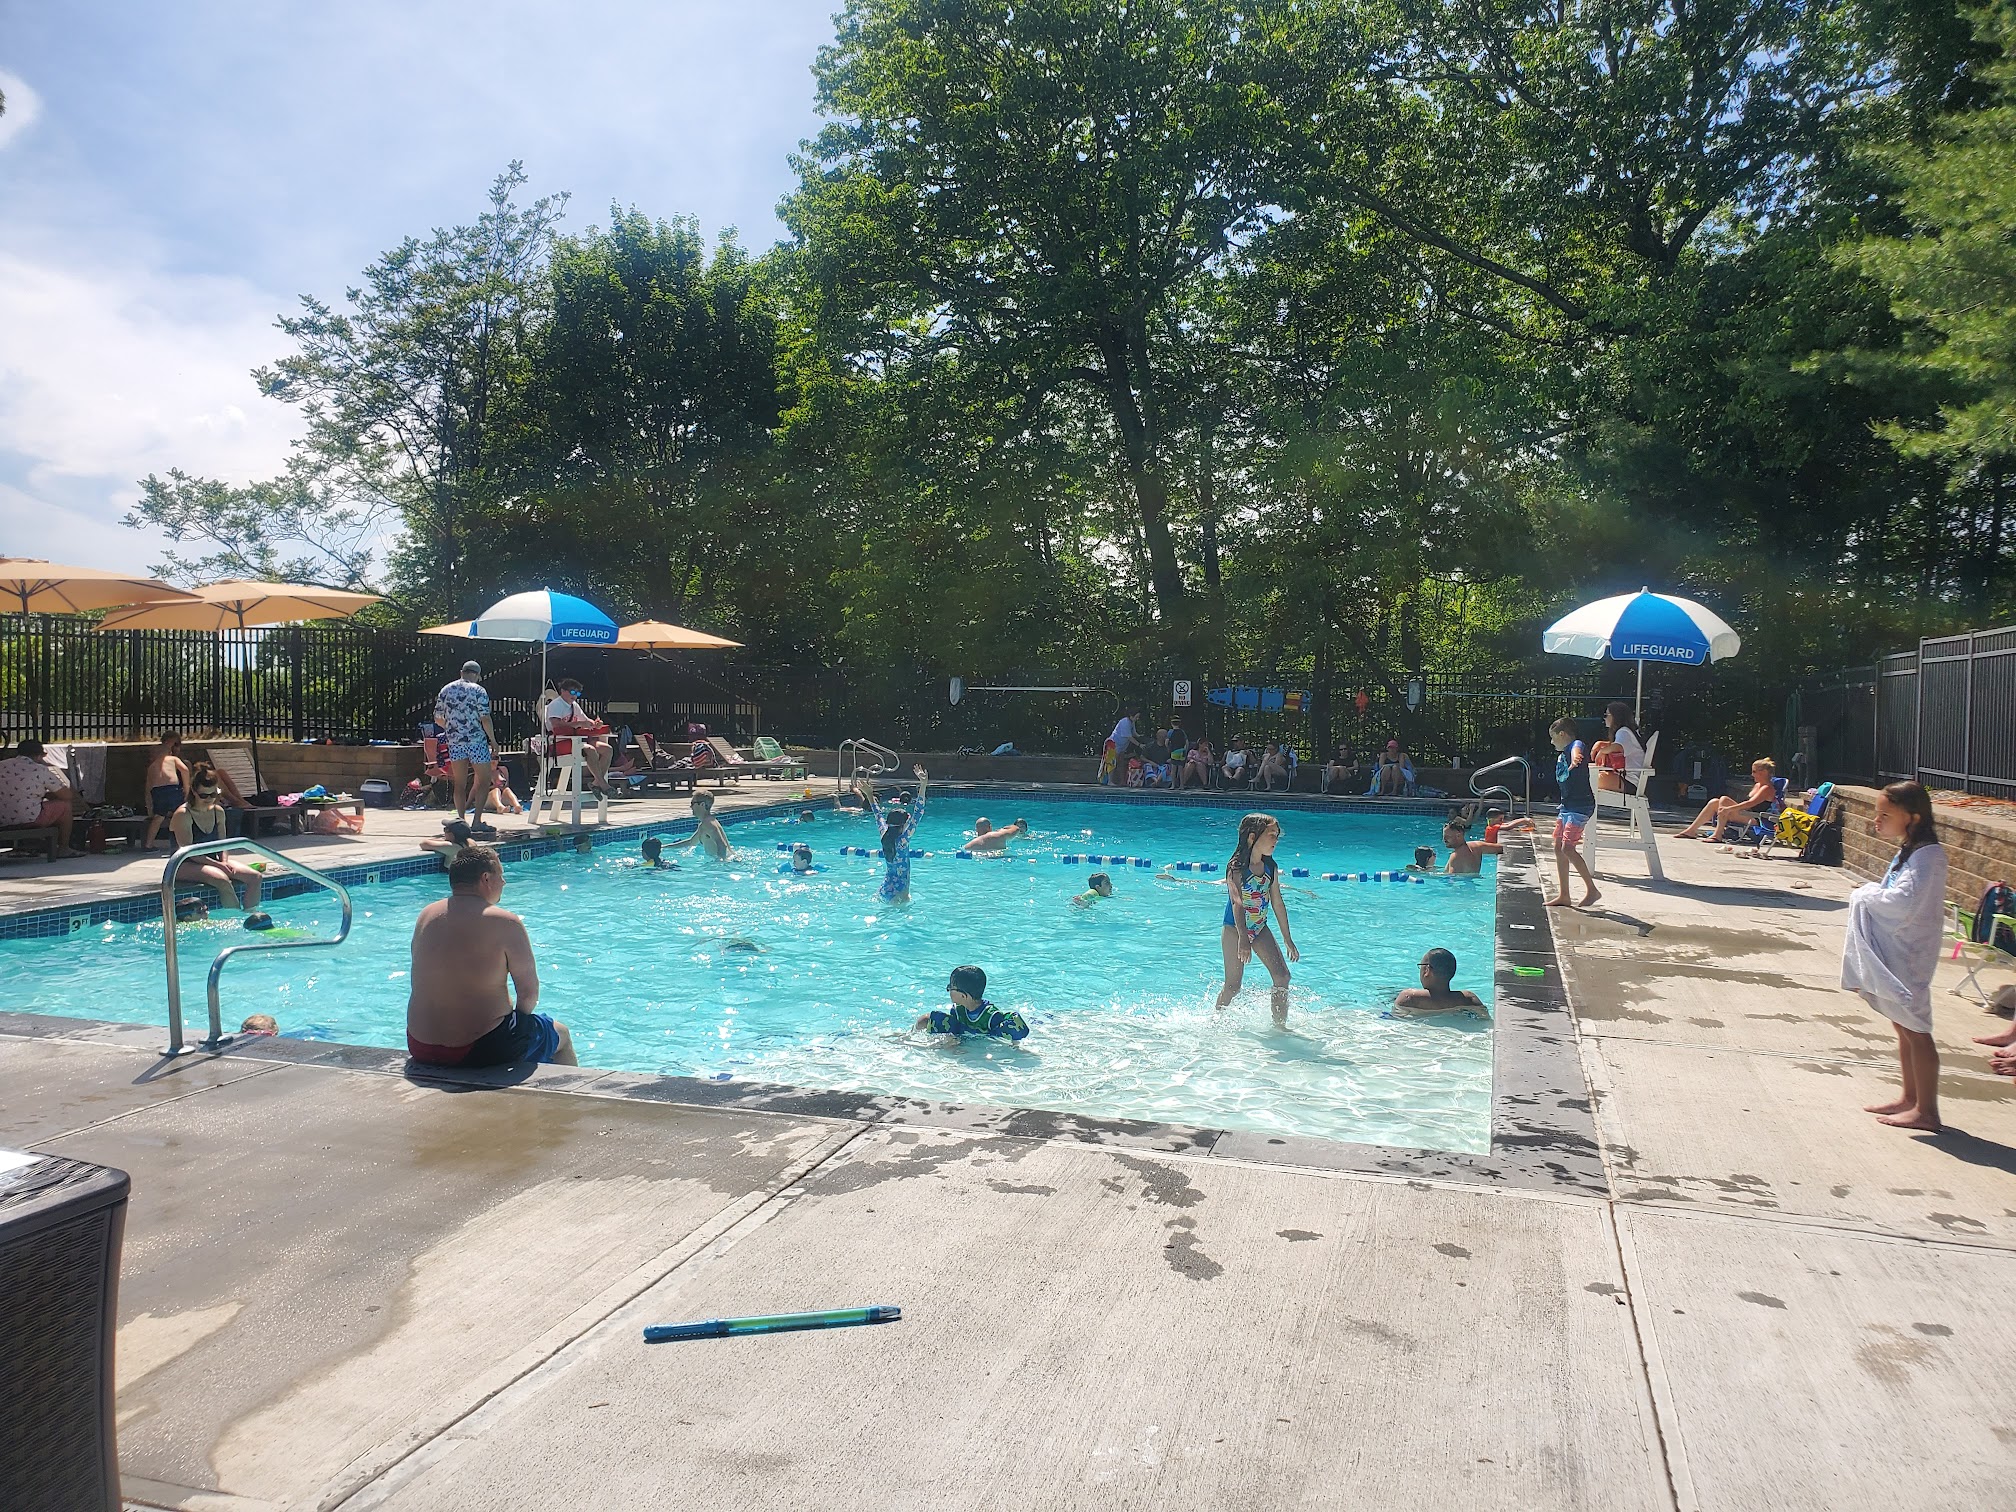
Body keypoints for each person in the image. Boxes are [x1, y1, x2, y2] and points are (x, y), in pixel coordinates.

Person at [405, 843, 576, 1068]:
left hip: (420, 1045)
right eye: (500, 875)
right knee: (561, 1035)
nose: (503, 882)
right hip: (479, 1048)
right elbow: (529, 994)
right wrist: (519, 1029)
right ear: (486, 878)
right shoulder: (505, 921)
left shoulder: (426, 916)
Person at [1841, 781, 1947, 1132]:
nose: (1877, 820)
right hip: (1899, 950)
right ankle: (1909, 1098)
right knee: (1902, 1026)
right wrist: (1870, 894)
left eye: (1885, 815)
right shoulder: (1912, 850)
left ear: (1913, 817)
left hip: (1911, 954)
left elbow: (1904, 902)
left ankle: (1927, 1111)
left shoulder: (1929, 856)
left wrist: (1865, 895)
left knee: (1917, 1029)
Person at [1215, 812, 1300, 1026]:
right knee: (1233, 986)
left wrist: (1287, 938)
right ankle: (1215, 1021)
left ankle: (1279, 1027)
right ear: (1252, 837)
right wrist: (1243, 938)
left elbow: (1277, 902)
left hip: (1260, 928)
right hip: (1235, 929)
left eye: (1277, 835)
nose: (1276, 840)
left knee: (1282, 977)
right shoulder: (1236, 867)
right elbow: (1237, 903)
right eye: (1271, 835)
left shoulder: (1270, 867)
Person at [170, 765, 268, 922]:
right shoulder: (183, 814)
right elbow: (189, 852)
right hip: (183, 864)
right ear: (194, 791)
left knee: (255, 877)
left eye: (213, 794)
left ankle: (251, 917)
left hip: (211, 861)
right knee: (222, 880)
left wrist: (224, 861)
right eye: (204, 795)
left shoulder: (218, 811)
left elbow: (223, 844)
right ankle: (236, 921)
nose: (209, 799)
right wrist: (219, 865)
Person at [434, 662, 499, 837]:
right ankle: (476, 821)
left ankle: (461, 822)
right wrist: (493, 741)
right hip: (476, 741)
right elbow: (485, 718)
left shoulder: (446, 690)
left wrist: (452, 728)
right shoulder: (478, 690)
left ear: (461, 672)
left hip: (456, 742)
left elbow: (438, 718)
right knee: (484, 781)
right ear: (477, 675)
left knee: (459, 784)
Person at [1544, 718, 1601, 907]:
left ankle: (1592, 890)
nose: (1551, 742)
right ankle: (1564, 895)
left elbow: (1578, 748)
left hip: (1580, 806)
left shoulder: (1575, 746)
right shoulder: (1562, 754)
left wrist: (1576, 757)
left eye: (1553, 737)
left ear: (1562, 734)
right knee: (1557, 846)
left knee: (1567, 848)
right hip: (1567, 806)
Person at [0, 738, 77, 855]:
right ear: (39, 755)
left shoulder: (2, 765)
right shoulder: (40, 769)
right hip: (29, 818)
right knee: (64, 806)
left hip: (3, 819)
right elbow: (67, 795)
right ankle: (63, 848)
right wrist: (48, 795)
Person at [916, 964, 1029, 1042]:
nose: (948, 990)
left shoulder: (992, 1016)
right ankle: (911, 1037)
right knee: (925, 1019)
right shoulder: (957, 1010)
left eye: (951, 987)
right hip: (966, 1038)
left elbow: (1011, 1035)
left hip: (984, 1044)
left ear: (963, 996)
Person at [1676, 758, 1779, 840]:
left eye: (1754, 771)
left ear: (1764, 772)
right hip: (1746, 814)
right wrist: (1729, 809)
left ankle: (1718, 834)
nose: (1752, 774)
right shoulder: (1757, 785)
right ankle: (1691, 830)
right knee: (1714, 802)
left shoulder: (1767, 788)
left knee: (1724, 800)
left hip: (1755, 819)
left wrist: (1729, 809)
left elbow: (1750, 804)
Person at [544, 678, 615, 795]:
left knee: (607, 749)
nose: (575, 696)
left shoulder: (574, 706)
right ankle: (603, 784)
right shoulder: (556, 705)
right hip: (559, 742)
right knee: (590, 750)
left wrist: (596, 724)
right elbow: (555, 724)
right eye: (572, 692)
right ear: (563, 691)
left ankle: (596, 783)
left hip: (577, 740)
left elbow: (587, 721)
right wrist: (578, 724)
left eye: (577, 693)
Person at [871, 766, 931, 901]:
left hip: (884, 889)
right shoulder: (903, 840)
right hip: (900, 893)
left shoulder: (884, 833)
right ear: (903, 824)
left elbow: (878, 815)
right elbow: (919, 812)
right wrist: (923, 785)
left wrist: (869, 795)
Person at [1392, 948, 1489, 1019]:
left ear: (1427, 970)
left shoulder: (1409, 998)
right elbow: (1485, 1020)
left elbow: (1395, 1021)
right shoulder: (1469, 999)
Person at [141, 732, 189, 851]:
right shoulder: (173, 759)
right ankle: (183, 843)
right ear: (169, 752)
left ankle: (148, 845)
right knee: (181, 815)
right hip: (173, 790)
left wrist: (150, 808)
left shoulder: (151, 767)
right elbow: (185, 770)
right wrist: (186, 788)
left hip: (158, 792)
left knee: (158, 818)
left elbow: (148, 789)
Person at [1591, 702, 1647, 794]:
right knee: (1591, 778)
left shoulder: (1624, 732)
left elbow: (1618, 746)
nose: (1604, 718)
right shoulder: (1628, 732)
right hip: (1628, 780)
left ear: (1615, 716)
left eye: (1606, 715)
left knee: (1588, 779)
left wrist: (1602, 751)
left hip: (1629, 782)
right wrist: (1601, 744)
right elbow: (1618, 744)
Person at [667, 791, 732, 860]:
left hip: (727, 862)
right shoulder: (705, 823)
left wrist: (720, 864)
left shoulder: (708, 824)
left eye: (692, 803)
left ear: (702, 804)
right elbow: (691, 842)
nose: (691, 806)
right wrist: (664, 847)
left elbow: (722, 845)